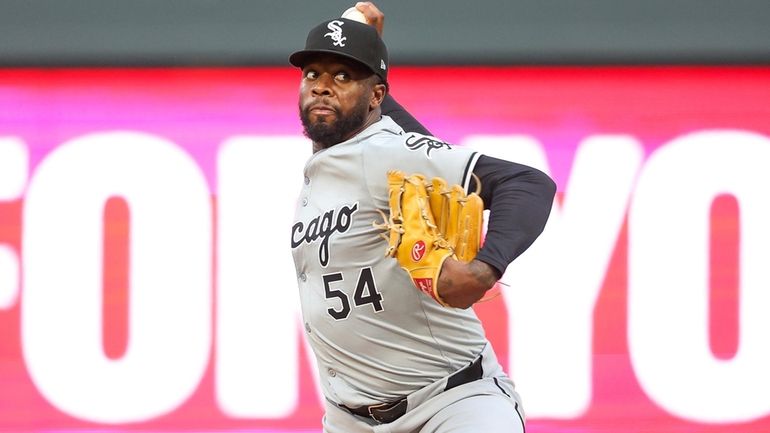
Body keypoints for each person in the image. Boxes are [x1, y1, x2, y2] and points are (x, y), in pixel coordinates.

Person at [289, 3, 556, 432]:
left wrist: (485, 268)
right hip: (350, 420)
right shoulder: (340, 155)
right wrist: (367, 57)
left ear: (375, 96)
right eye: (312, 74)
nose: (322, 87)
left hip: (452, 405)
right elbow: (393, 137)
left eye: (343, 76)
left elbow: (527, 184)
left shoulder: (383, 152)